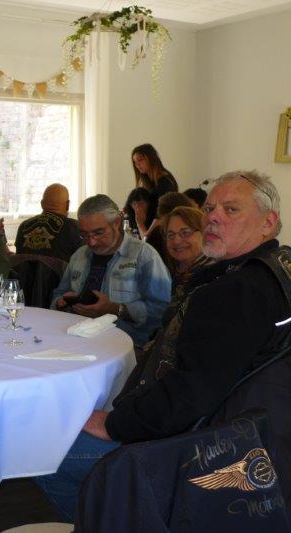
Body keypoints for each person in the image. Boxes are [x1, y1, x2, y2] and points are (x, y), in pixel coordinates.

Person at [35, 171, 291, 521]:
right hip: (267, 435)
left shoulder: (236, 290)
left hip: (211, 447)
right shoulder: (276, 269)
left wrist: (114, 424)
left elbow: (189, 397)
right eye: (210, 208)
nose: (213, 217)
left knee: (45, 451)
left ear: (268, 222)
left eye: (231, 209)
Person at [52, 194, 171, 348]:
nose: (91, 242)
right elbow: (59, 294)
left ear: (117, 222)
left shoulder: (144, 256)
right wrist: (61, 302)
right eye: (84, 235)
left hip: (126, 345)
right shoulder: (79, 255)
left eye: (98, 233)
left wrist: (116, 309)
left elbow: (162, 311)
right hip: (77, 339)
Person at [14, 183, 83, 262]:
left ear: (41, 204)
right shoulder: (74, 227)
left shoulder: (24, 226)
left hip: (24, 270)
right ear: (67, 205)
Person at [130, 143, 179, 237]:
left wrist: (142, 227)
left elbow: (162, 214)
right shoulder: (150, 182)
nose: (137, 165)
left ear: (151, 159)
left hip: (159, 234)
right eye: (135, 162)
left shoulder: (164, 181)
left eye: (140, 160)